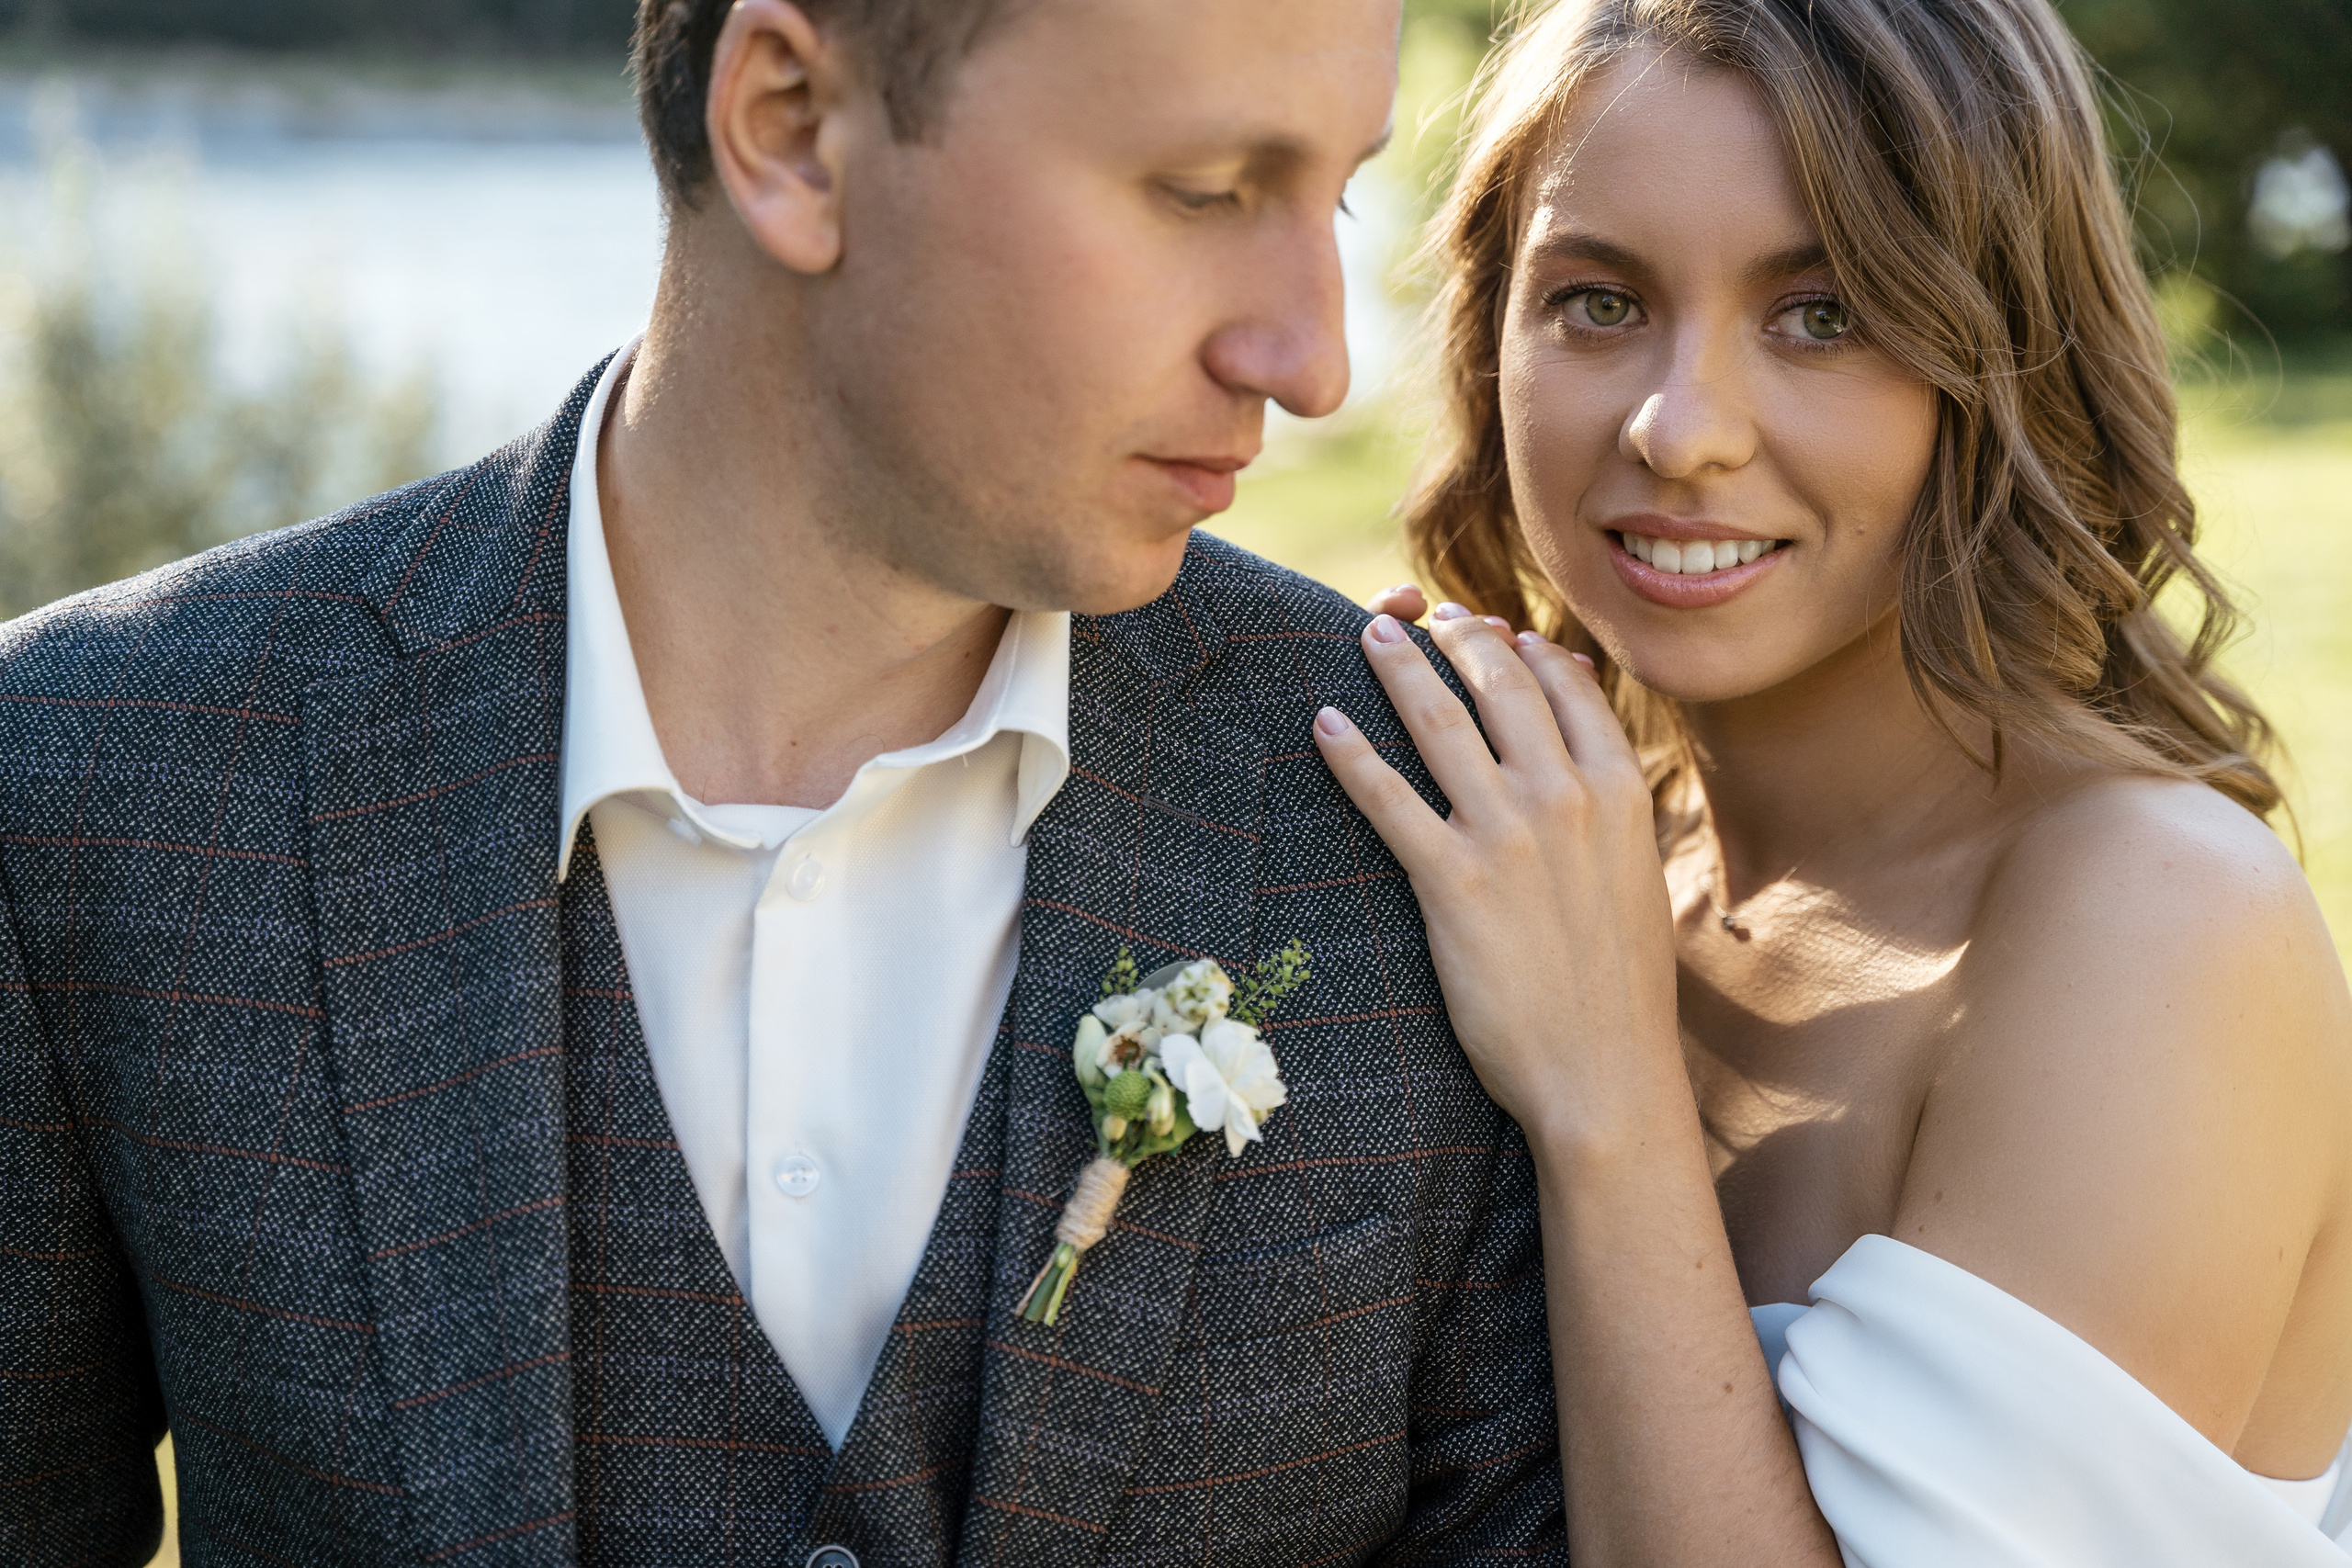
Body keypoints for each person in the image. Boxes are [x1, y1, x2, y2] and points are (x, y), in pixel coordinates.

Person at [0, 2, 1574, 1563]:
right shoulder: (98, 774)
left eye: (1339, 194)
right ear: (790, 128)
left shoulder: (1432, 817)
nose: (1311, 360)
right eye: (1207, 190)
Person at [1315, 0, 2352, 1562]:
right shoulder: (1558, 857)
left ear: (2000, 354)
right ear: (1487, 337)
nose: (1679, 431)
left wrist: (1606, 1095)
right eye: (1598, 302)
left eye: (1824, 316)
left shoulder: (2154, 923)